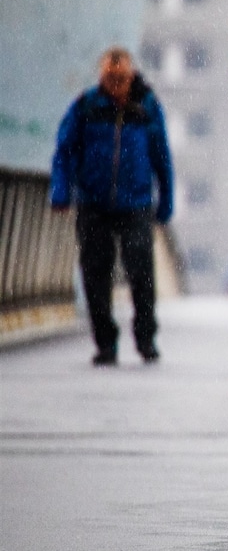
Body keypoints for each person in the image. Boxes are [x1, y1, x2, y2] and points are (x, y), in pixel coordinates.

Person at [50, 46, 174, 366]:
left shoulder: (146, 106)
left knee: (141, 274)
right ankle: (105, 343)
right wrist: (61, 192)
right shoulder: (86, 106)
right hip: (94, 203)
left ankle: (146, 337)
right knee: (95, 275)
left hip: (136, 204)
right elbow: (65, 151)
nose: (116, 83)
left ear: (132, 75)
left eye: (122, 77)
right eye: (110, 77)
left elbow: (162, 157)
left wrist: (166, 202)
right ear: (101, 77)